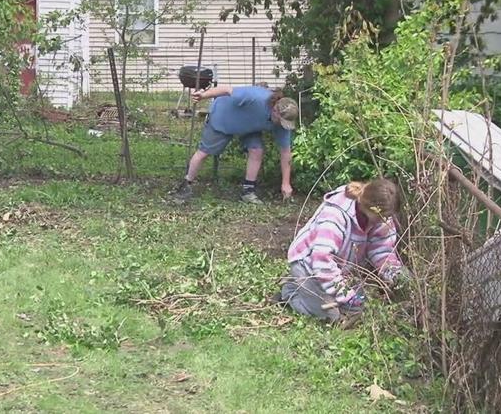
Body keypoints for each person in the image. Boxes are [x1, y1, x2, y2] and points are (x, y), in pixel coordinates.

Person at [277, 178, 411, 322]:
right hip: (308, 267)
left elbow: (382, 250)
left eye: (387, 218)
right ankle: (291, 291)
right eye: (382, 218)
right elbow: (322, 261)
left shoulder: (381, 216)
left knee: (362, 307)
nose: (385, 221)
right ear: (370, 208)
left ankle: (319, 294)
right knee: (331, 316)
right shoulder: (335, 215)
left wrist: (396, 274)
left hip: (339, 270)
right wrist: (346, 296)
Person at [170, 85, 299, 204]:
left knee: (257, 150)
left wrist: (286, 183)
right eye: (281, 121)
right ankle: (186, 184)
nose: (282, 125)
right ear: (275, 110)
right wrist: (203, 95)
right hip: (223, 116)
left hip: (249, 127)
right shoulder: (254, 97)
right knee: (204, 153)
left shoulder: (282, 123)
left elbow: (285, 152)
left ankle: (248, 192)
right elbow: (226, 89)